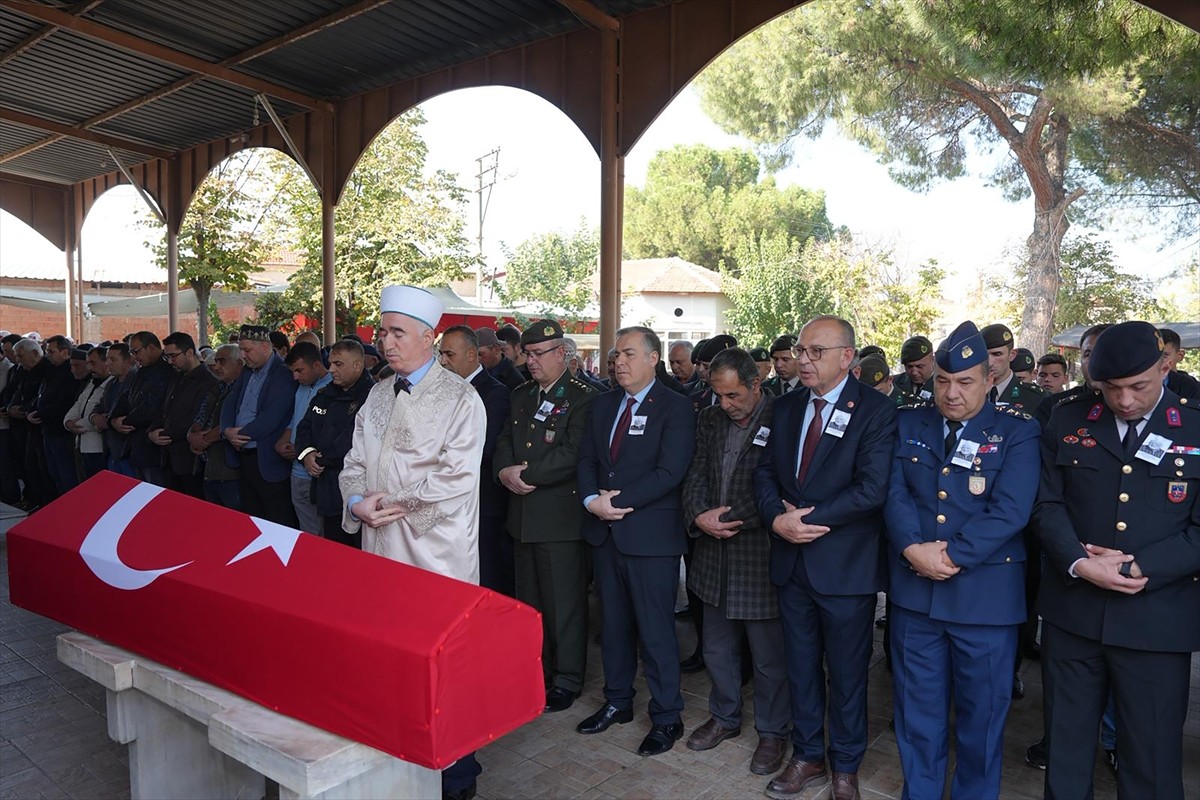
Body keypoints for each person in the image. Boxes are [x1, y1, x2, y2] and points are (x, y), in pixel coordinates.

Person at [1033, 321, 1200, 800]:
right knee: (1065, 750)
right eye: (1111, 389)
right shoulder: (1068, 419)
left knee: (1150, 756)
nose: (1124, 401)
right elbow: (1045, 504)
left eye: (1138, 387)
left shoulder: (1194, 424)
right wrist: (1079, 563)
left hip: (1156, 621)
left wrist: (1138, 566)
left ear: (1164, 367)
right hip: (1074, 614)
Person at [339, 286, 485, 800]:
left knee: (441, 666)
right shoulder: (378, 392)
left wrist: (390, 502)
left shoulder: (461, 398)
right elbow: (354, 460)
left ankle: (457, 776)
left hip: (433, 557)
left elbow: (456, 479)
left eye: (398, 332)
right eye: (384, 331)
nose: (387, 341)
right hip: (379, 550)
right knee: (388, 659)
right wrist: (357, 501)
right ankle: (397, 757)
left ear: (430, 336)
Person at [884, 320, 1040, 800]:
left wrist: (950, 554)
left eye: (965, 381)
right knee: (918, 715)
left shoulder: (1017, 431)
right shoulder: (908, 423)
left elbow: (1011, 509)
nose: (952, 393)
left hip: (984, 601)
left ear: (989, 379)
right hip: (916, 597)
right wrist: (912, 548)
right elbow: (893, 494)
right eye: (943, 381)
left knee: (981, 720)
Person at [752, 315, 897, 800]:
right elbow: (765, 471)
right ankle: (809, 755)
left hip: (844, 567)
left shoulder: (876, 410)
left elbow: (872, 489)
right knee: (800, 666)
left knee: (849, 672)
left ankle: (846, 765)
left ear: (846, 357)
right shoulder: (787, 405)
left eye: (816, 351)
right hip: (791, 561)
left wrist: (806, 518)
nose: (803, 360)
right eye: (800, 349)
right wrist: (776, 518)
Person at [576, 326, 696, 757]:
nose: (618, 362)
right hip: (606, 534)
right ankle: (617, 702)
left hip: (651, 539)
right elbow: (588, 458)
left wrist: (616, 502)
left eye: (628, 354)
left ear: (652, 359)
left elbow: (670, 472)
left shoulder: (677, 408)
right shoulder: (604, 404)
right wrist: (592, 500)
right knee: (613, 626)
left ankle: (667, 717)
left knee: (656, 631)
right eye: (615, 355)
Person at [682, 347, 790, 777]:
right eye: (718, 395)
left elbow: (779, 488)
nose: (725, 404)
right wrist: (697, 516)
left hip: (758, 553)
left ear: (755, 385)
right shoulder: (709, 418)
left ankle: (772, 731)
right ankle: (724, 716)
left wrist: (723, 517)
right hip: (711, 552)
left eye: (733, 396)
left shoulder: (782, 418)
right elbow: (694, 474)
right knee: (717, 646)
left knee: (767, 656)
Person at [494, 319, 596, 712]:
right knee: (531, 603)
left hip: (558, 519)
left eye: (538, 355)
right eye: (527, 354)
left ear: (561, 355)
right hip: (521, 516)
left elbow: (572, 453)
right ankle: (541, 670)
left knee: (564, 605)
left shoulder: (584, 397)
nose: (530, 361)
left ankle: (568, 678)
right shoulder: (521, 395)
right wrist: (504, 471)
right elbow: (505, 439)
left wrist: (525, 474)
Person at [439, 325, 513, 593]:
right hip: (442, 499)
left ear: (472, 355)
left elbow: (484, 448)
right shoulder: (438, 392)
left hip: (481, 502)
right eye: (441, 354)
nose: (443, 361)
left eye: (449, 354)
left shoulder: (494, 393)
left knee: (485, 573)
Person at [296, 339, 374, 548]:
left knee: (357, 555)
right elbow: (304, 428)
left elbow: (352, 442)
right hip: (325, 488)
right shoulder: (325, 394)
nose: (331, 370)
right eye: (330, 363)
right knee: (333, 549)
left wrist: (320, 459)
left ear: (357, 366)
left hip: (355, 492)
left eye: (338, 364)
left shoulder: (372, 397)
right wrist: (307, 454)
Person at [221, 325, 298, 527]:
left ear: (265, 347)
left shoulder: (282, 373)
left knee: (276, 519)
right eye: (241, 350)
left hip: (267, 459)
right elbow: (230, 401)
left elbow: (272, 417)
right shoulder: (247, 372)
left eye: (247, 350)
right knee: (253, 518)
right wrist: (227, 430)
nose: (243, 356)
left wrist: (240, 435)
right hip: (244, 456)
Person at [151, 332, 217, 498]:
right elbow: (163, 410)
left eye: (174, 356)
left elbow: (197, 419)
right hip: (168, 457)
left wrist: (165, 434)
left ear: (189, 352)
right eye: (167, 357)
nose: (171, 361)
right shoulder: (175, 378)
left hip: (191, 459)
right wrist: (151, 432)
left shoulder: (208, 381)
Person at [280, 342, 331, 535]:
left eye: (300, 370)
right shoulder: (301, 388)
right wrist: (284, 441)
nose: (295, 376)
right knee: (305, 530)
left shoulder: (332, 388)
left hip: (316, 472)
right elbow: (295, 419)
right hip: (296, 470)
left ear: (317, 365)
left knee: (321, 533)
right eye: (293, 371)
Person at [109, 331, 172, 485]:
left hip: (155, 451)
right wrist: (114, 419)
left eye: (136, 351)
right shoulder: (140, 372)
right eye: (131, 352)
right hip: (136, 448)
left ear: (151, 347)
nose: (134, 357)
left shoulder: (168, 372)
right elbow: (125, 398)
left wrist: (126, 421)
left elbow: (153, 407)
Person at [188, 343, 243, 510]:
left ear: (239, 364)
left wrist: (203, 440)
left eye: (222, 362)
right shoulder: (218, 386)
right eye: (216, 361)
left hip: (229, 470)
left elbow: (234, 423)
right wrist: (191, 435)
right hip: (208, 467)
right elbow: (201, 415)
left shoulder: (244, 388)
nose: (217, 366)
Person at [64, 346, 111, 480]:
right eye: (88, 363)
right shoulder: (91, 383)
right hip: (81, 445)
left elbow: (103, 415)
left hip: (98, 447)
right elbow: (78, 405)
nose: (89, 368)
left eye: (93, 363)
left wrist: (77, 424)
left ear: (105, 362)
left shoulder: (110, 384)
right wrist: (68, 423)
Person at [91, 343, 137, 478]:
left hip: (128, 450)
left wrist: (110, 420)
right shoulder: (111, 383)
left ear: (128, 361)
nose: (108, 364)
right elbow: (98, 407)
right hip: (112, 449)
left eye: (113, 360)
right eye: (107, 359)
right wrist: (94, 417)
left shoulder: (136, 382)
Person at [980, 323, 1046, 412]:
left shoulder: (1035, 397)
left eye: (997, 354)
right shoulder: (971, 394)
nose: (990, 363)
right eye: (984, 355)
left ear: (1012, 355)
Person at [477, 327, 523, 391]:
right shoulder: (480, 371)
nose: (477, 359)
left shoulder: (514, 379)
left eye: (480, 354)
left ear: (496, 349)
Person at [1159, 327, 1199, 399]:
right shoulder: (1143, 384)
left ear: (1180, 356)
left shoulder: (1192, 388)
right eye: (1154, 355)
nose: (1158, 361)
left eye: (1165, 355)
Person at [893, 336, 935, 403]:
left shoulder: (944, 385)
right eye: (909, 366)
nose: (914, 372)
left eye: (920, 366)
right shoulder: (894, 384)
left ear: (932, 360)